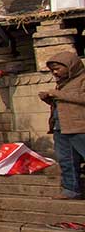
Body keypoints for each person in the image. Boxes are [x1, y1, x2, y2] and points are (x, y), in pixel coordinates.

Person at [40, 48, 85, 200]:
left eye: (58, 69)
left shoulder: (83, 79)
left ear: (70, 66)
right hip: (61, 127)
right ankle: (71, 190)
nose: (55, 72)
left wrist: (57, 94)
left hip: (80, 127)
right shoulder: (62, 84)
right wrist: (48, 98)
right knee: (67, 161)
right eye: (53, 70)